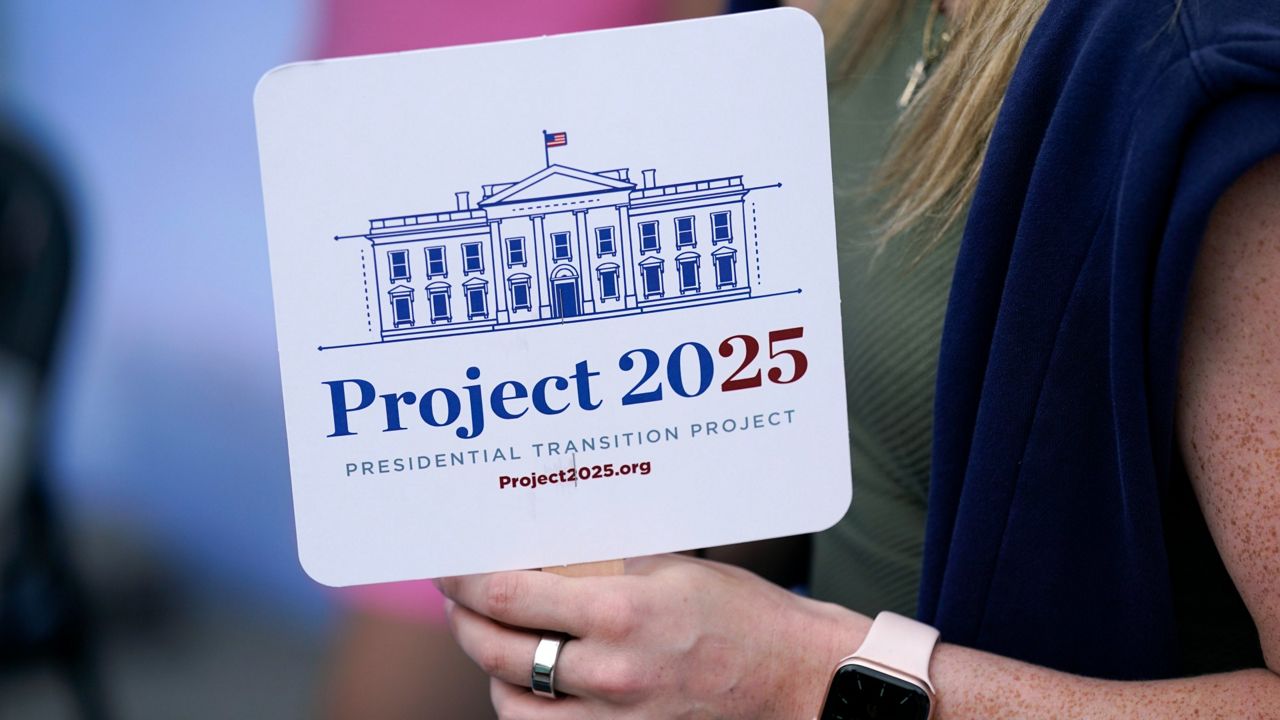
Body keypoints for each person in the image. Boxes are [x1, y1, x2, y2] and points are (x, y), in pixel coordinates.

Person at [438, 0, 1280, 717]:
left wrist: (799, 681)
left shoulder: (1206, 65)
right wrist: (638, 569)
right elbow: (853, 463)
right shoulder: (820, 21)